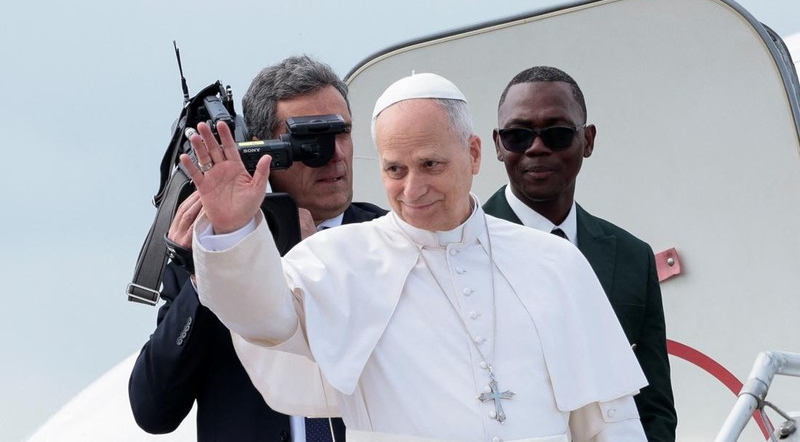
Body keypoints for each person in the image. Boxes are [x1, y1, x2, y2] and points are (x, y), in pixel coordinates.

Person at [183, 72, 649, 442]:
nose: (413, 189)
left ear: (472, 154)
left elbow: (609, 419)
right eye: (394, 170)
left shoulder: (555, 264)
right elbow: (264, 321)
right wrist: (235, 230)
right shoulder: (337, 261)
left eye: (431, 165)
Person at [128, 55, 386, 442]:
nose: (333, 154)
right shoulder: (216, 252)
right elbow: (153, 410)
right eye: (309, 138)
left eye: (342, 132)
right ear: (261, 150)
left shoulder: (390, 240)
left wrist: (326, 266)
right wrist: (212, 272)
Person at [483, 66, 677, 442]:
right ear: (497, 144)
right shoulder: (461, 246)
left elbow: (653, 405)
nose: (536, 147)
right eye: (517, 135)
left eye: (556, 134)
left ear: (587, 140)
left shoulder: (632, 256)